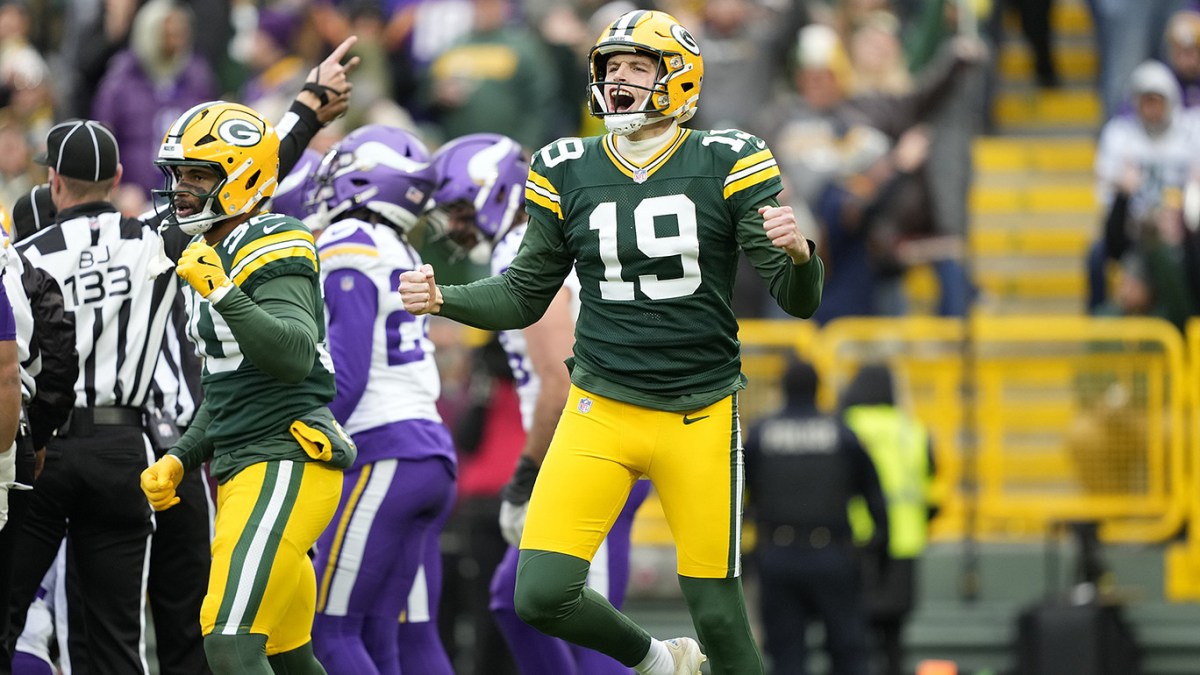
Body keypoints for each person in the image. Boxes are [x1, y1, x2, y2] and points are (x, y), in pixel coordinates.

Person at [399, 10, 824, 675]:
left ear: (678, 79)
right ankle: (659, 662)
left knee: (719, 612)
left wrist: (799, 257)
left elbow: (800, 301)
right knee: (537, 592)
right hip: (602, 407)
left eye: (636, 67)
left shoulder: (729, 158)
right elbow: (522, 293)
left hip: (699, 411)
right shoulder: (567, 166)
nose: (618, 79)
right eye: (609, 67)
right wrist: (445, 297)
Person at [139, 100, 356, 674]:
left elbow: (291, 354)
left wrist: (223, 293)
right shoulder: (211, 249)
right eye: (178, 174)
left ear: (243, 178)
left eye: (199, 175)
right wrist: (182, 456)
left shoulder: (272, 237)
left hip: (285, 457)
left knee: (229, 643)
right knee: (288, 661)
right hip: (244, 467)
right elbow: (230, 387)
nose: (182, 188)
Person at [425, 132, 650, 674]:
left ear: (496, 191)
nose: (455, 225)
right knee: (512, 598)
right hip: (587, 445)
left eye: (460, 207)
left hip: (592, 452)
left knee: (584, 621)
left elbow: (558, 379)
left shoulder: (524, 247)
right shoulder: (522, 244)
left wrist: (526, 472)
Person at [305, 124, 457, 675]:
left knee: (328, 631)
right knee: (384, 633)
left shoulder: (350, 242)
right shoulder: (399, 246)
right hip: (428, 453)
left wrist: (308, 444)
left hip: (384, 452)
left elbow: (347, 373)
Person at [742, 356, 888, 675]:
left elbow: (736, 497)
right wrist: (877, 547)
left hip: (778, 555)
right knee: (848, 651)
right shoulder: (841, 433)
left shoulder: (762, 434)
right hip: (833, 555)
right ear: (818, 390)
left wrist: (746, 554)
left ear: (782, 389)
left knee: (786, 655)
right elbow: (874, 494)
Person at [839, 364, 938, 675]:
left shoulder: (848, 425)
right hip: (906, 542)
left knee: (857, 634)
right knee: (894, 634)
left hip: (859, 539)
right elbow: (932, 483)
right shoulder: (913, 430)